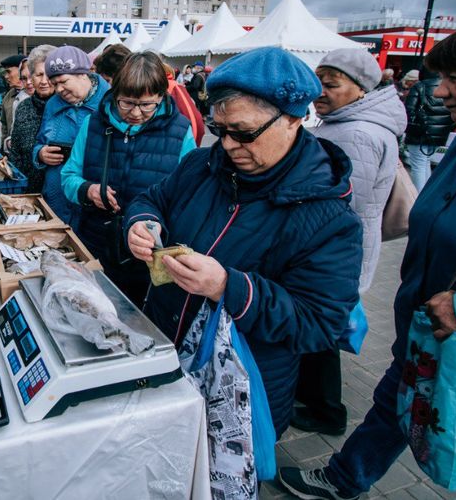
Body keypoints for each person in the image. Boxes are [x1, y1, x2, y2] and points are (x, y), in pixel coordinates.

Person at [278, 13, 456, 500]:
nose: (440, 92)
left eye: (454, 78)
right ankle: (346, 479)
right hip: (427, 330)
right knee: (394, 404)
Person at [125, 46, 363, 438]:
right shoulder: (201, 166)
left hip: (242, 394)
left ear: (294, 119)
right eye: (220, 131)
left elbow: (319, 324)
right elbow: (153, 198)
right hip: (165, 355)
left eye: (245, 133)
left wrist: (227, 287)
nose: (231, 146)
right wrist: (142, 222)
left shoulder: (330, 219)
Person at [290, 48, 407, 437]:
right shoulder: (344, 123)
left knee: (320, 327)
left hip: (335, 252)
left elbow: (344, 207)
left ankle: (326, 410)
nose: (320, 91)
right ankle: (313, 398)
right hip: (336, 249)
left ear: (360, 88)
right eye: (318, 81)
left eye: (331, 83)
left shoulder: (357, 132)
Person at [61, 52, 196, 305]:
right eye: (127, 103)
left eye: (146, 105)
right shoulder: (93, 124)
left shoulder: (180, 131)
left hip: (147, 255)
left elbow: (188, 196)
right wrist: (86, 190)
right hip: (94, 245)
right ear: (114, 91)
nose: (135, 113)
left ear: (161, 96)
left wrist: (157, 225)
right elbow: (68, 176)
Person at [33, 45, 110, 225]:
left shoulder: (110, 104)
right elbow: (40, 141)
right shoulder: (52, 105)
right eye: (55, 84)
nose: (59, 89)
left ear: (83, 74)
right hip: (56, 201)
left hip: (92, 207)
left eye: (63, 81)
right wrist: (40, 153)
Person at [9, 45, 56, 193]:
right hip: (28, 191)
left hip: (58, 192)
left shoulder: (67, 107)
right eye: (38, 74)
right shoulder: (24, 107)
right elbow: (15, 153)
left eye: (48, 75)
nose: (43, 81)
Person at [403, 68, 450, 191]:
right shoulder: (446, 87)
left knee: (418, 165)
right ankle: (424, 194)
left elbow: (409, 110)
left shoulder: (420, 86)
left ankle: (418, 196)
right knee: (425, 162)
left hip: (419, 133)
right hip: (439, 133)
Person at [0, 54, 26, 143]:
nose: (6, 76)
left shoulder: (35, 94)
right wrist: (3, 147)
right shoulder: (8, 96)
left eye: (9, 72)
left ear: (20, 71)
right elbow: (4, 126)